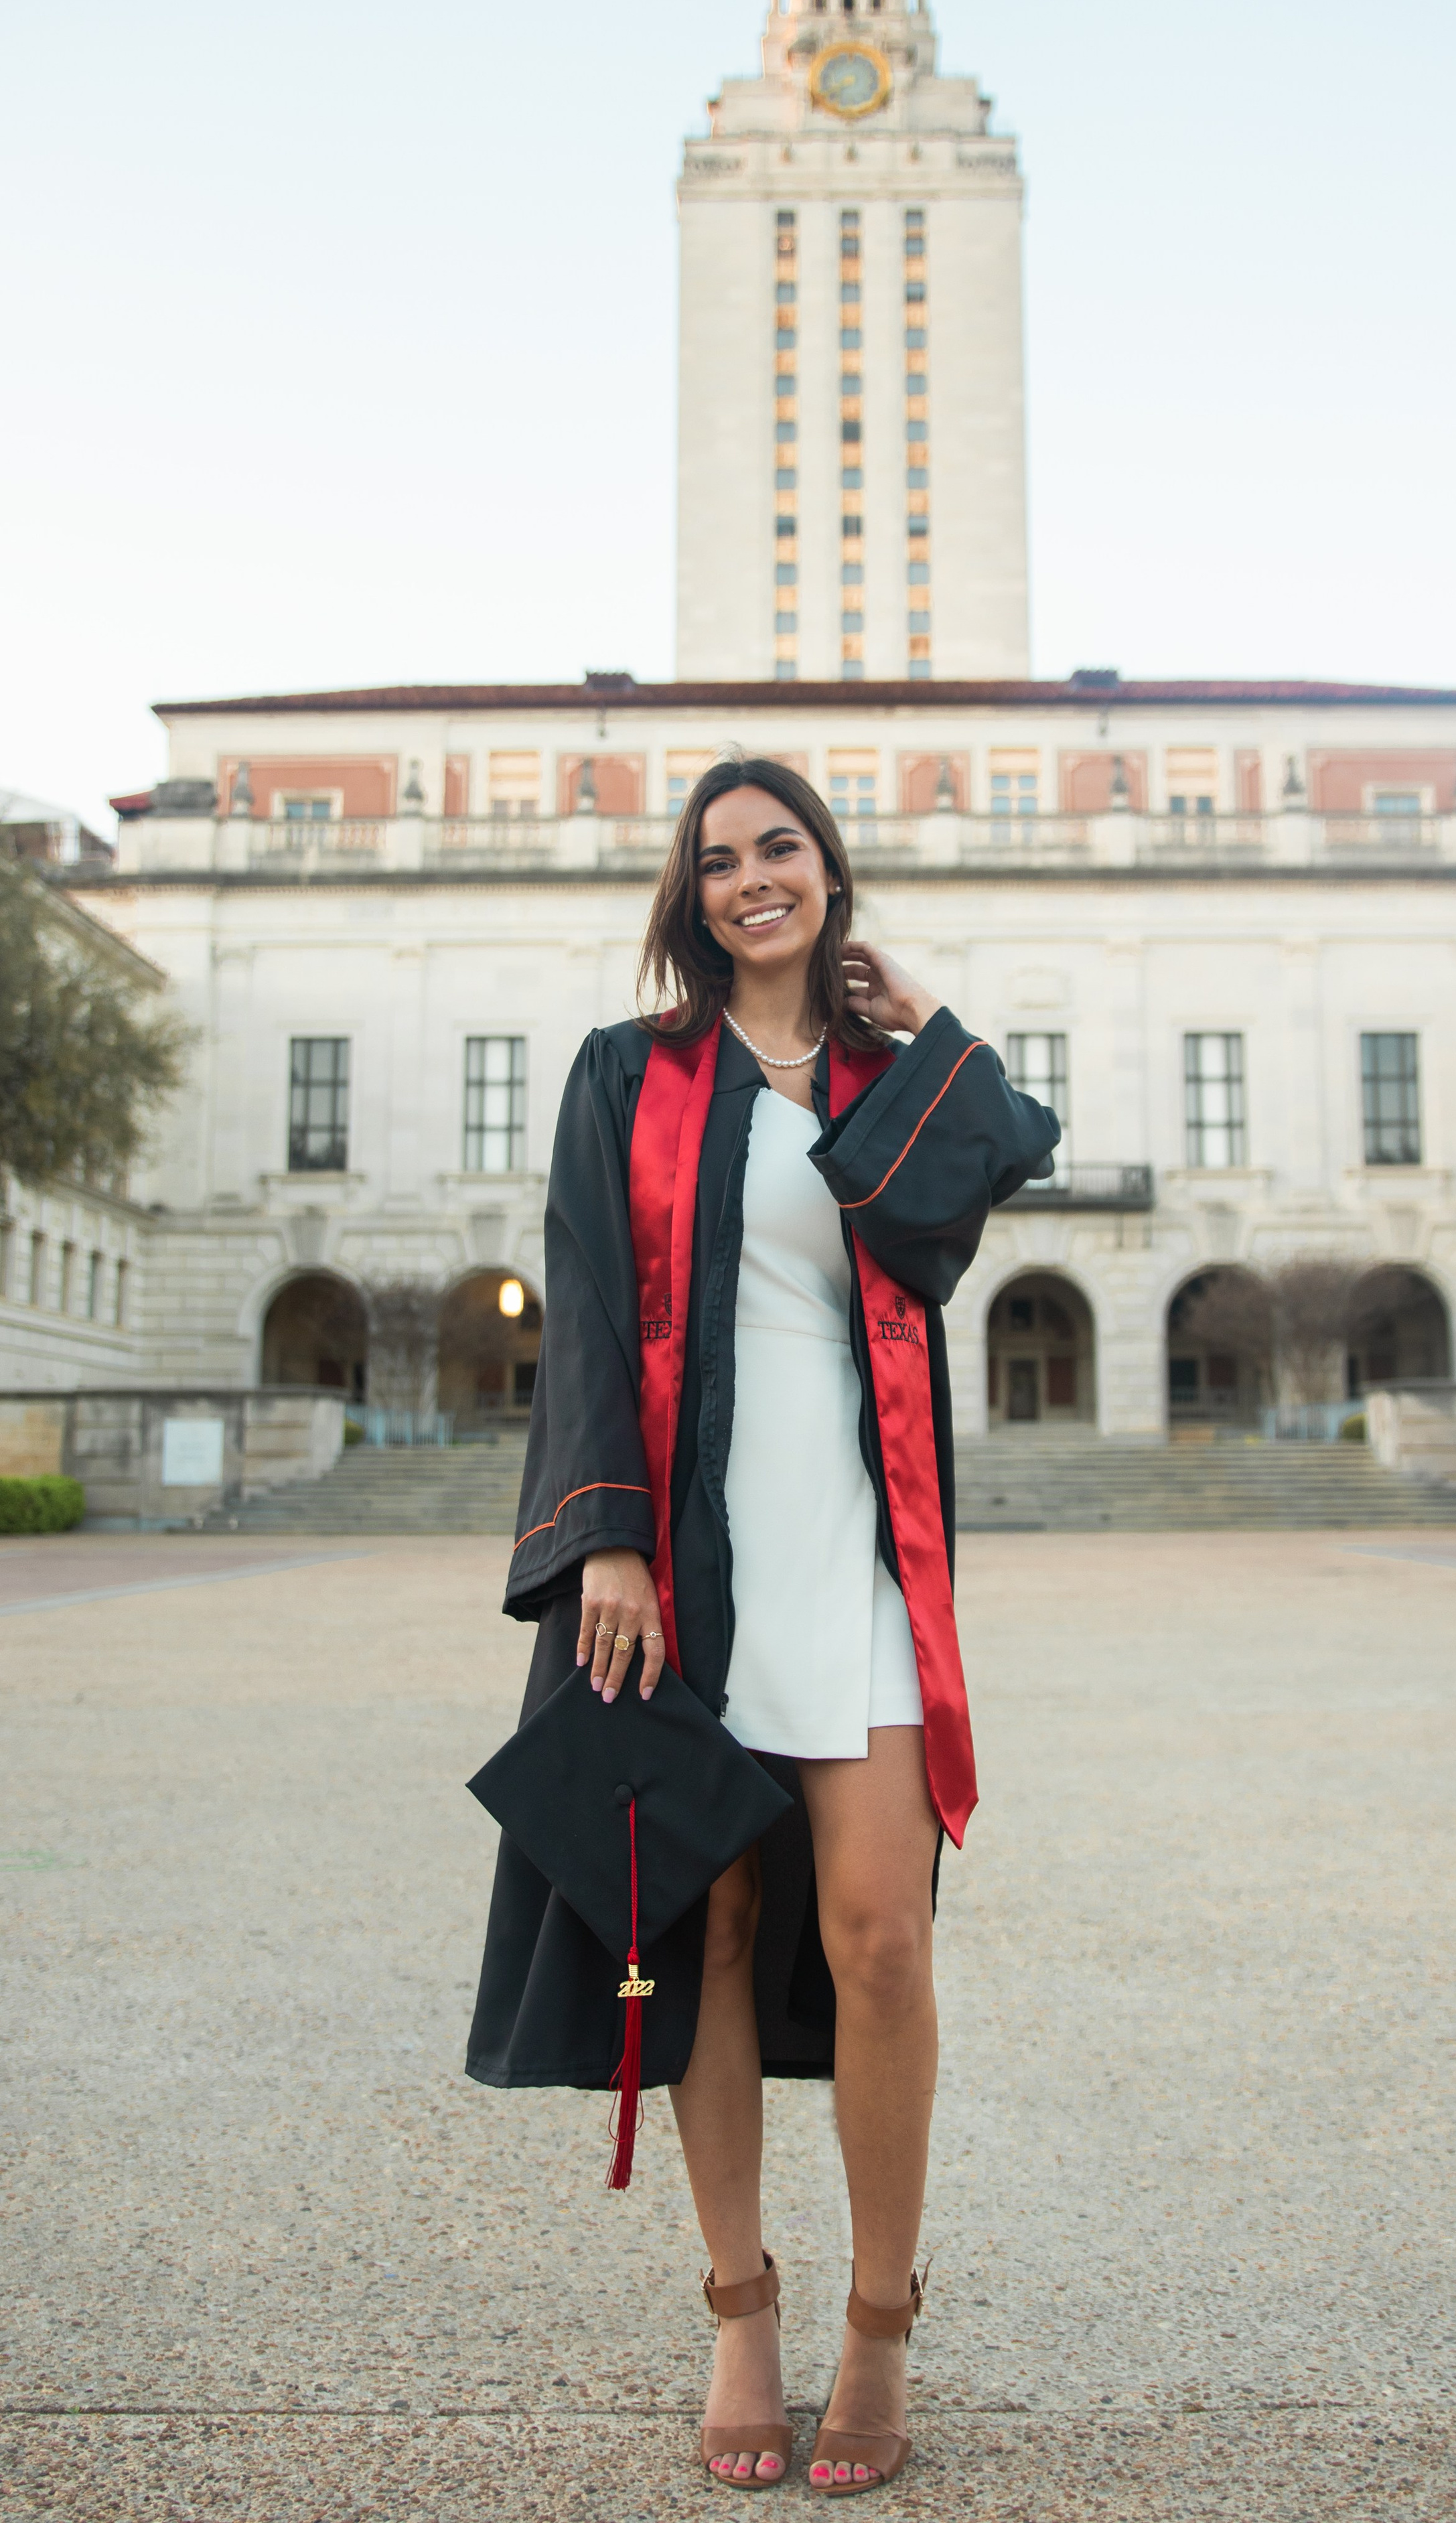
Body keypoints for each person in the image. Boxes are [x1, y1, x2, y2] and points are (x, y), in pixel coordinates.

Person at [466, 757, 1058, 2495]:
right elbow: (588, 1306)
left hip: (862, 1550)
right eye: (718, 859)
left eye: (780, 847)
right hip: (692, 1556)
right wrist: (606, 1541)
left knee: (881, 1935)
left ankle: (882, 2318)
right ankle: (742, 2304)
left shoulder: (885, 1083)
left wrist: (926, 1014)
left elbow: (1002, 1155)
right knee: (706, 1927)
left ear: (827, 870)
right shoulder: (628, 1072)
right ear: (692, 895)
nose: (751, 879)